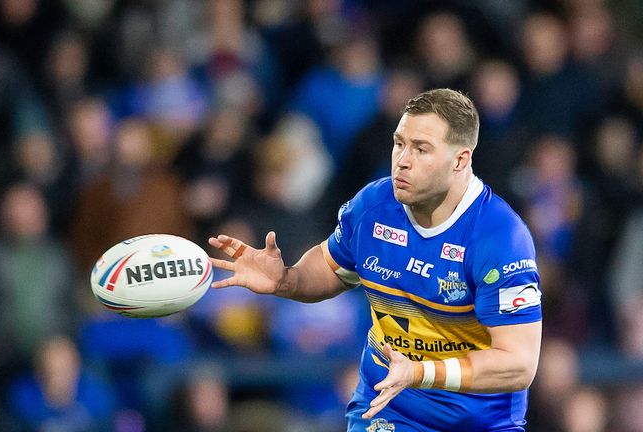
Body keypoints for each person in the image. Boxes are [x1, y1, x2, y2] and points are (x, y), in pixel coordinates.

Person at [209, 88, 542, 431]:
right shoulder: (373, 206)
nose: (403, 160)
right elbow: (329, 268)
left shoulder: (499, 237)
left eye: (421, 149)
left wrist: (418, 372)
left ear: (460, 160)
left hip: (479, 422)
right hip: (388, 408)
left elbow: (519, 363)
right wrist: (286, 280)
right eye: (399, 143)